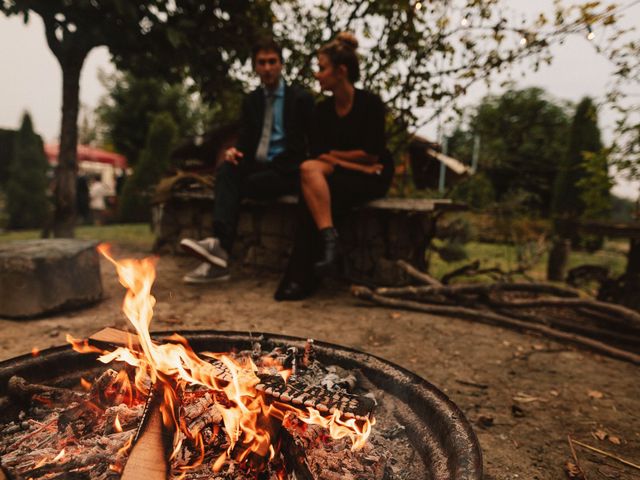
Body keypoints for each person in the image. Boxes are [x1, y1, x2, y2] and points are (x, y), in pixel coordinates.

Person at [180, 37, 314, 284]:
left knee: (250, 183)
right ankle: (218, 245)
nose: (267, 68)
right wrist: (235, 152)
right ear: (254, 67)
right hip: (258, 165)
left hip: (286, 170)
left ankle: (219, 251)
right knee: (227, 170)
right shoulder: (252, 100)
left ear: (281, 65)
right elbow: (246, 140)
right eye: (261, 63)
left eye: (272, 61)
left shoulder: (300, 99)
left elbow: (308, 145)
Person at [274, 32, 394, 301]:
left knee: (310, 198)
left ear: (341, 71)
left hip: (371, 178)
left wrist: (339, 159)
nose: (317, 75)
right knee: (310, 184)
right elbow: (318, 156)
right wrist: (348, 160)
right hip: (338, 176)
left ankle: (300, 279)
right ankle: (327, 244)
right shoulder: (323, 110)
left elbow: (372, 156)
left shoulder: (370, 104)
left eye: (321, 68)